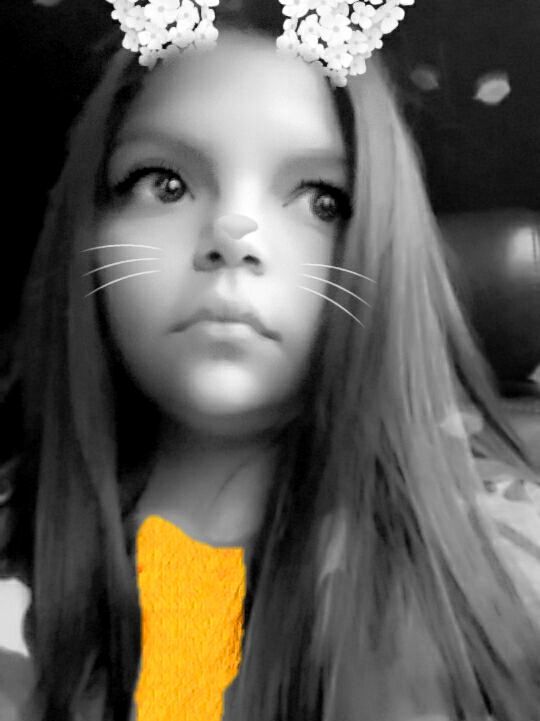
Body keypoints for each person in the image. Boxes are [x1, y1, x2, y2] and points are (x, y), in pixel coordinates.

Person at [1, 1, 540, 720]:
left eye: (321, 200)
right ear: (89, 229)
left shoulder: (497, 575)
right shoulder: (15, 552)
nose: (236, 235)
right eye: (164, 183)